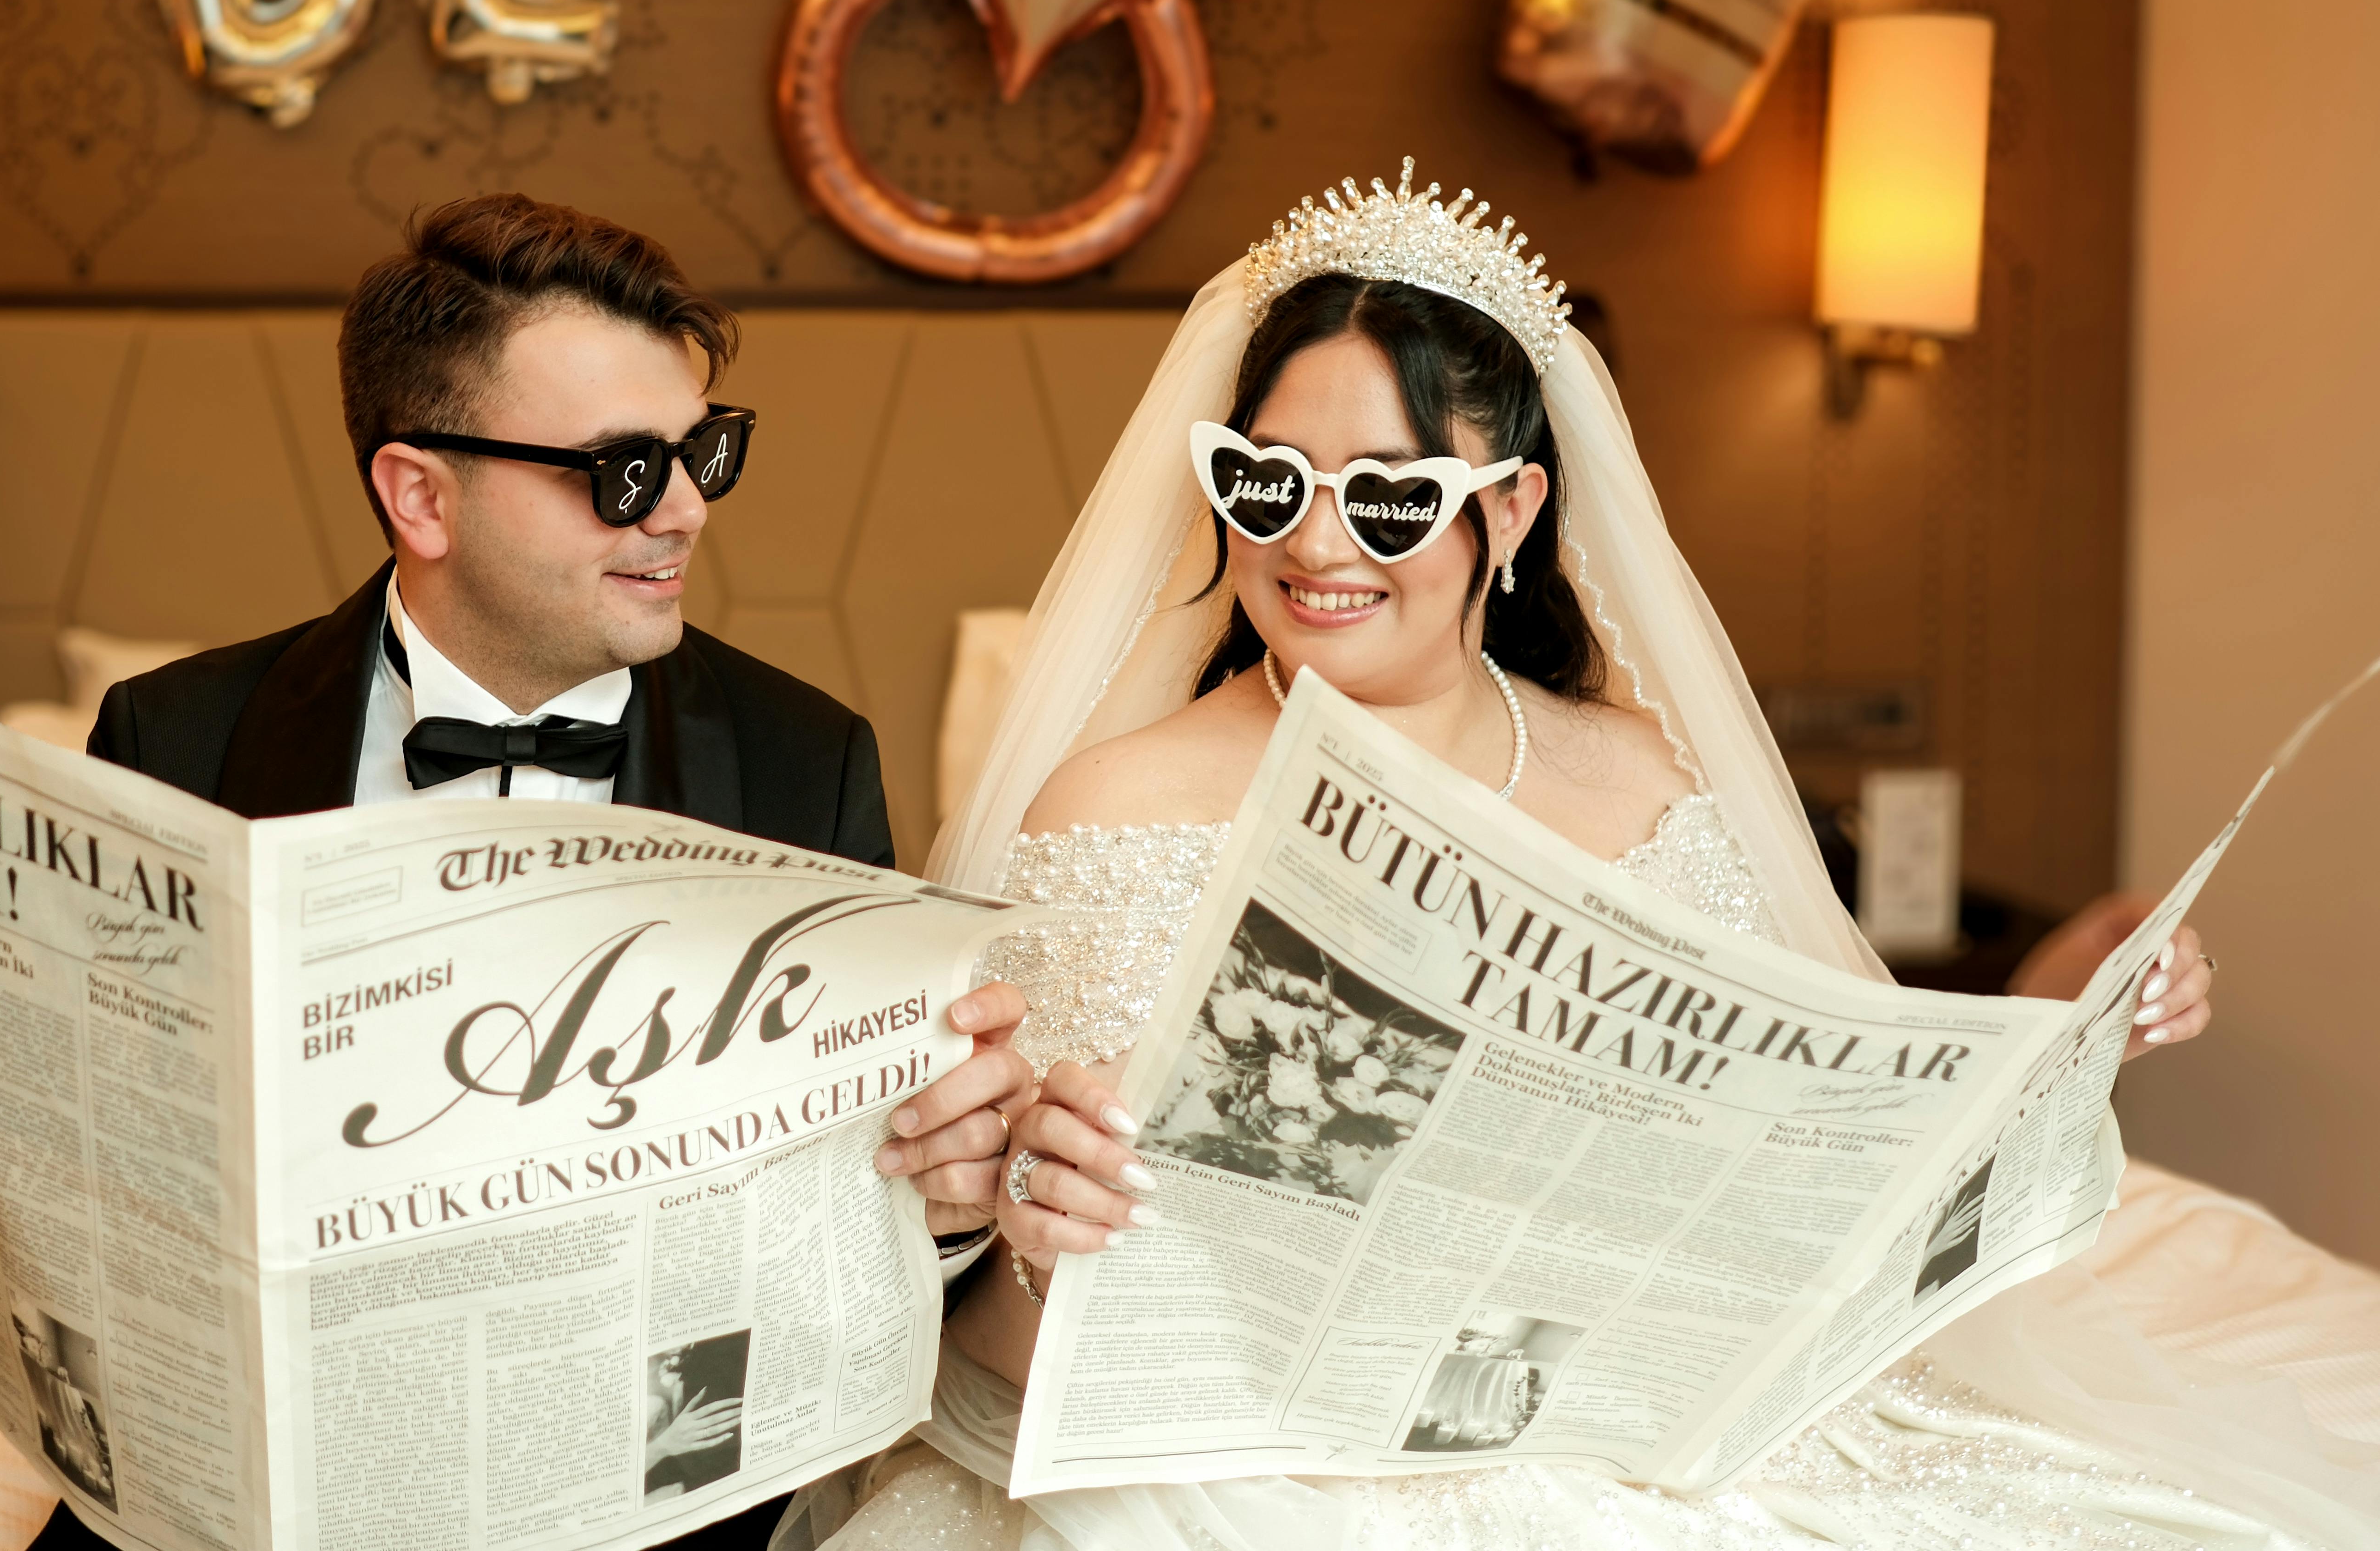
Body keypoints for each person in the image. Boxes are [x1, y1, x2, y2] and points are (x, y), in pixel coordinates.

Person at [780, 164, 2380, 1551]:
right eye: (1265, 484)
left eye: (1391, 500)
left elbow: (1838, 1151)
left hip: (1642, 1422)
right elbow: (967, 1315)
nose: (1314, 545)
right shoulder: (1110, 810)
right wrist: (1036, 1252)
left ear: (1515, 507)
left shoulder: (1647, 782)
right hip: (1255, 1465)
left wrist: (2057, 1027)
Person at [0, 193, 1031, 1551]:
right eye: (620, 472)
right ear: (419, 494)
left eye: (700, 453)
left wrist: (954, 1197)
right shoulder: (176, 734)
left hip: (630, 1477)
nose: (682, 514)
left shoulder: (802, 761)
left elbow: (866, 1213)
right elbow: (13, 1140)